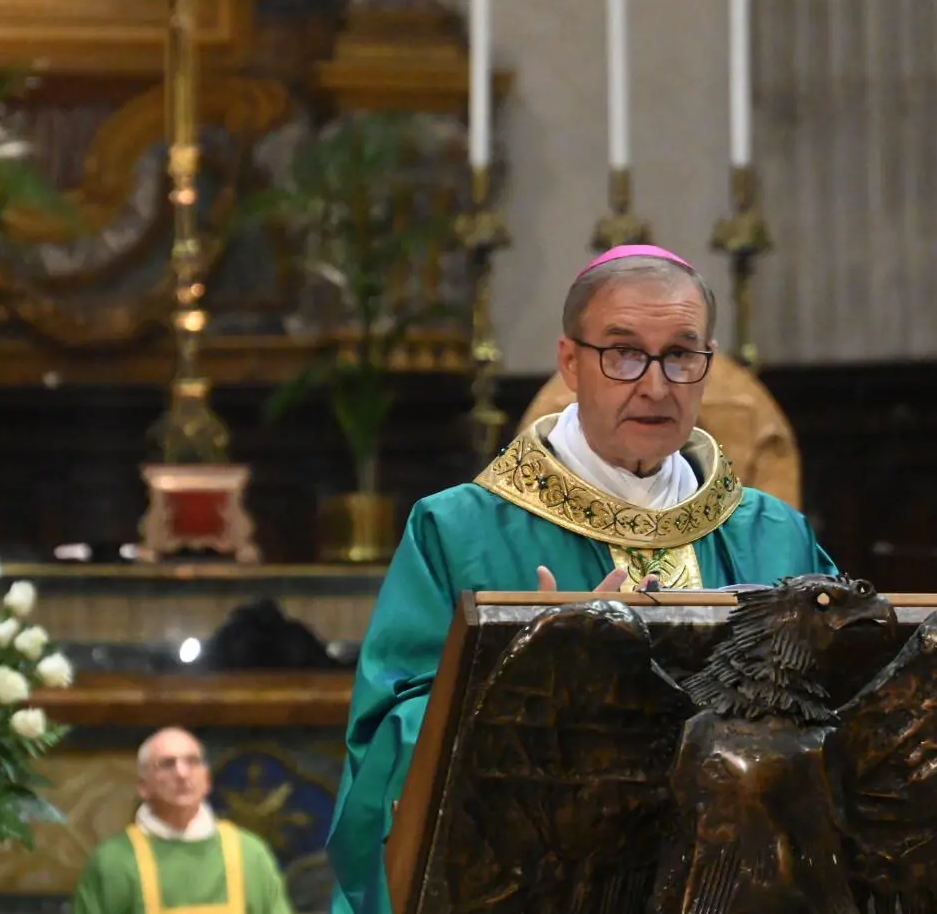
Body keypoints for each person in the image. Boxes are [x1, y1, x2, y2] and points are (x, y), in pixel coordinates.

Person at [326, 244, 839, 914]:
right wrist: (540, 672)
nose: (655, 385)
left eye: (681, 355)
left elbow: (845, 711)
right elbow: (392, 744)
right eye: (623, 353)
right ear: (571, 362)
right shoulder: (461, 532)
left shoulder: (770, 534)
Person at [73, 726, 294, 914]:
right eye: (167, 764)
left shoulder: (250, 855)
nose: (181, 773)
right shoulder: (114, 863)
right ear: (143, 786)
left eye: (192, 762)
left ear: (207, 780)